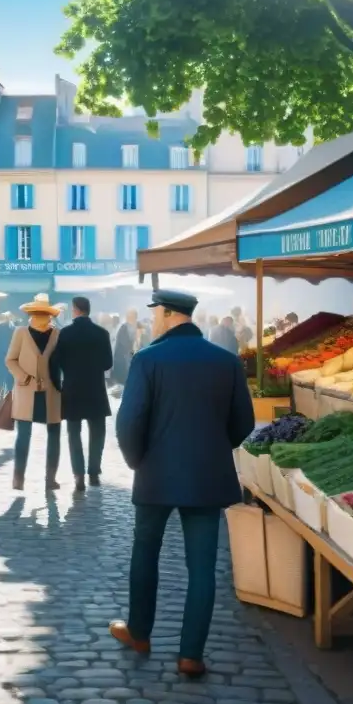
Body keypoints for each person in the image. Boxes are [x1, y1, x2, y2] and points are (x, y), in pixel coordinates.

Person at [110, 290, 255, 678]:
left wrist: (137, 460)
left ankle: (139, 632)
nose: (152, 319)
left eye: (155, 312)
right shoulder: (225, 361)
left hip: (156, 474)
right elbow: (243, 423)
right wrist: (214, 447)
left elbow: (128, 423)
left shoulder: (147, 359)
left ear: (169, 314)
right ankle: (191, 655)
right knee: (202, 567)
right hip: (208, 474)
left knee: (145, 554)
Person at [55, 296, 113, 492]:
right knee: (97, 432)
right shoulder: (102, 333)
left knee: (73, 433)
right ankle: (94, 473)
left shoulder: (65, 333)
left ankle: (78, 475)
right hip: (95, 389)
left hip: (72, 388)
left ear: (76, 310)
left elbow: (58, 362)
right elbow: (108, 364)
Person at [6, 294, 63, 492]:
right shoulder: (21, 332)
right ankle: (18, 478)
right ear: (31, 314)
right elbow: (10, 360)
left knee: (54, 434)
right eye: (36, 313)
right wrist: (24, 377)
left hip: (52, 392)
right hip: (26, 392)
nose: (40, 316)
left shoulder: (57, 334)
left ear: (49, 315)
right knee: (23, 436)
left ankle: (51, 478)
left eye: (44, 313)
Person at [0, 313, 16, 394]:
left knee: (1, 376)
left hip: (0, 356)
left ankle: (2, 393)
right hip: (10, 356)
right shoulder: (15, 329)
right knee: (9, 377)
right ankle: (8, 393)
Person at [112, 309, 138, 386]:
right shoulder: (123, 328)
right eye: (128, 316)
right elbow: (125, 346)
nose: (129, 317)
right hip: (123, 363)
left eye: (131, 316)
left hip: (130, 361)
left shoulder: (138, 327)